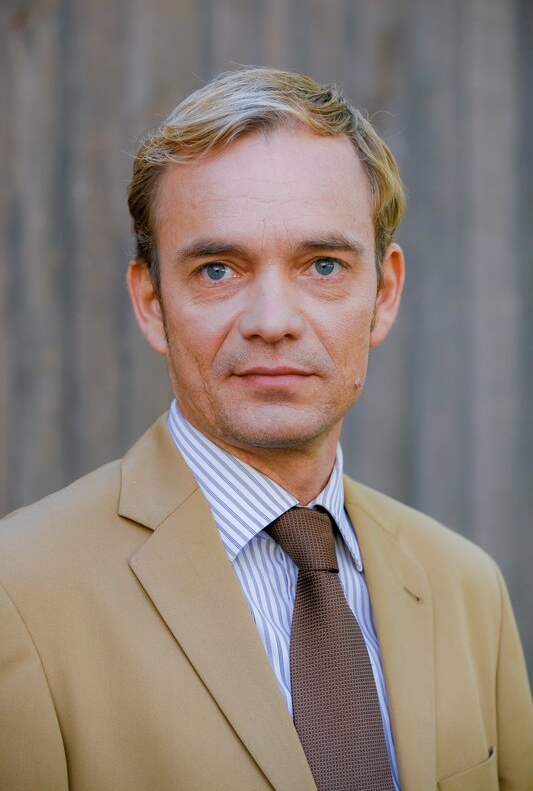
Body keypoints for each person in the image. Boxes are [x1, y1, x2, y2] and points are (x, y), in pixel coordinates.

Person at [1, 67, 531, 791]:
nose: (273, 322)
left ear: (383, 293)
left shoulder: (468, 587)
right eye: (218, 270)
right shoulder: (19, 593)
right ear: (152, 302)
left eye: (323, 265)